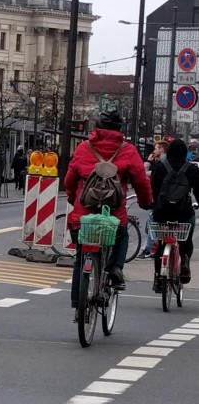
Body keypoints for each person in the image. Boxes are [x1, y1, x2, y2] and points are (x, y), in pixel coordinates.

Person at [64, 108, 152, 315]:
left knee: (80, 257)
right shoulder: (127, 150)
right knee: (121, 235)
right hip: (113, 215)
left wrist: (72, 197)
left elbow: (70, 178)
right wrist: (145, 201)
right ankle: (115, 268)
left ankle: (78, 304)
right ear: (120, 129)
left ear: (97, 127)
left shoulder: (84, 148)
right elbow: (141, 180)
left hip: (84, 214)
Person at [148, 138, 198, 286]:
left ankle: (158, 278)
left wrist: (153, 204)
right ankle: (185, 260)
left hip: (163, 212)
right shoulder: (191, 169)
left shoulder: (161, 168)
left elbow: (153, 189)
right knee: (186, 239)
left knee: (161, 243)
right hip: (183, 213)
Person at [138, 140, 169, 258]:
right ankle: (155, 247)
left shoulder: (162, 164)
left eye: (156, 149)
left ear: (161, 150)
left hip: (159, 200)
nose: (153, 151)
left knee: (153, 222)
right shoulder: (164, 162)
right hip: (167, 199)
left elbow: (147, 177)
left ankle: (150, 249)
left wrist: (148, 162)